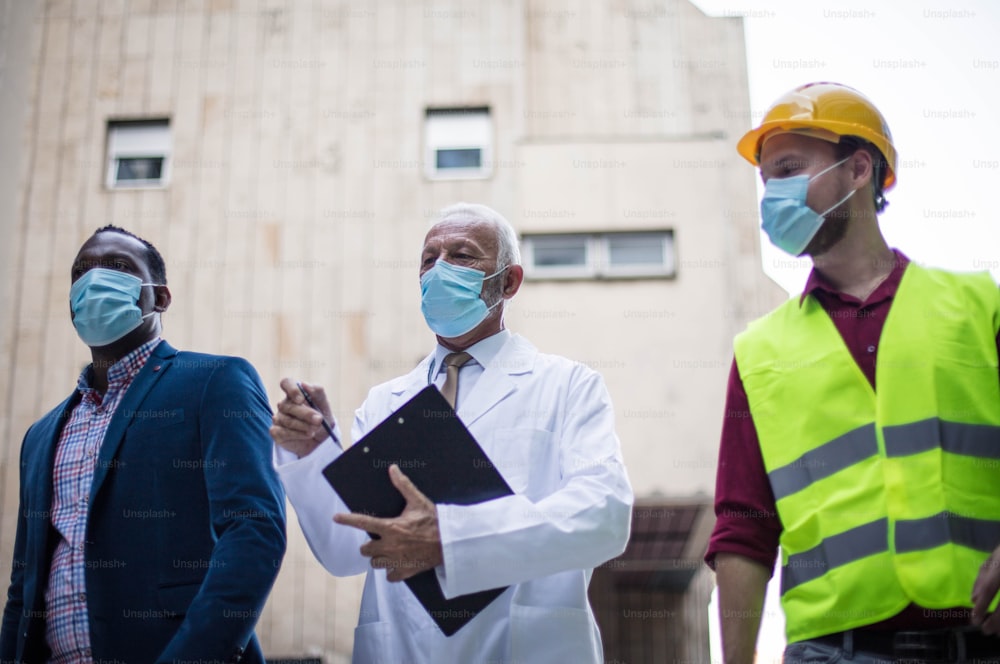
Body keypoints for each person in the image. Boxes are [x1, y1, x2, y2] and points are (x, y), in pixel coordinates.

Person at [705, 81, 1000, 664]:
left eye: (789, 168)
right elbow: (743, 527)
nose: (773, 195)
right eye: (767, 180)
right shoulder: (758, 351)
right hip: (831, 649)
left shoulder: (978, 304)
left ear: (859, 168)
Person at [270, 202, 633, 663]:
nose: (439, 270)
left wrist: (452, 538)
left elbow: (603, 516)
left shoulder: (567, 386)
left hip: (525, 648)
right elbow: (347, 550)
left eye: (462, 256)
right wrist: (314, 454)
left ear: (508, 282)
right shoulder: (385, 402)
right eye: (428, 259)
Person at [1, 226, 287, 663]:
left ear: (161, 298)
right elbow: (23, 587)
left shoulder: (215, 382)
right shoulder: (39, 436)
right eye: (81, 271)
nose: (94, 280)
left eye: (117, 267)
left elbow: (254, 530)